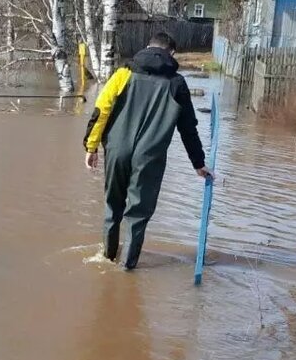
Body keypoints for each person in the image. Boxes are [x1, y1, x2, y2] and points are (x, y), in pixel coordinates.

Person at [82, 32, 211, 270]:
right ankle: (126, 269)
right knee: (138, 215)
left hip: (117, 152)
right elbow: (188, 128)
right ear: (171, 53)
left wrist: (91, 147)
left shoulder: (123, 74)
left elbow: (101, 110)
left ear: (148, 47)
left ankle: (107, 258)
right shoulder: (176, 84)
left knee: (113, 207)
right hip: (149, 158)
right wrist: (198, 162)